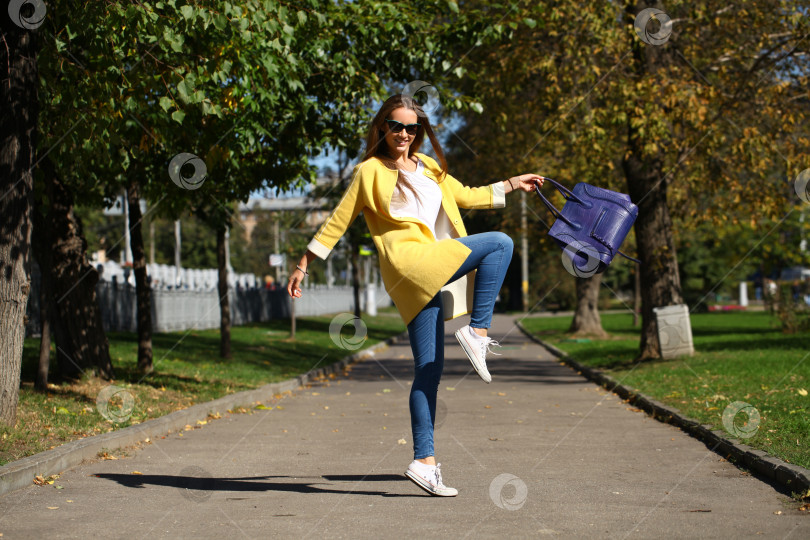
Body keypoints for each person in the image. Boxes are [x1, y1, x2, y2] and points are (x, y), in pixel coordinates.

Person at [287, 95, 543, 497]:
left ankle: (423, 462)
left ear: (418, 132)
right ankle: (477, 331)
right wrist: (304, 263)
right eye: (395, 125)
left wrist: (514, 183)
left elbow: (468, 196)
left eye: (412, 128)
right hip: (411, 262)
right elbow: (338, 221)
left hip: (428, 273)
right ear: (382, 128)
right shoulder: (369, 171)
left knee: (429, 369)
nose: (403, 134)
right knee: (500, 243)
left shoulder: (429, 167)